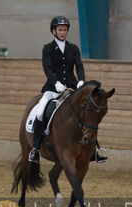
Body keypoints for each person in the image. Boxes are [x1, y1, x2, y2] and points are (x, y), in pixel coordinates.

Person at [28, 16, 107, 164]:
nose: (62, 32)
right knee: (39, 113)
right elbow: (47, 68)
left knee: (86, 112)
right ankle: (35, 149)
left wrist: (81, 80)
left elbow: (79, 66)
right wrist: (56, 83)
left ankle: (95, 150)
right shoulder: (48, 48)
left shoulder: (73, 48)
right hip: (52, 89)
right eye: (60, 30)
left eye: (64, 30)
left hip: (71, 89)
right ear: (54, 31)